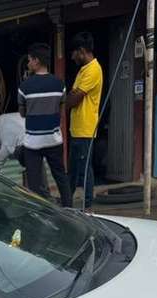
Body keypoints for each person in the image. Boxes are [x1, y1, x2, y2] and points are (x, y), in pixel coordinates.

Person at [17, 42, 70, 206]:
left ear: (37, 61)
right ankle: (70, 209)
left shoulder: (24, 86)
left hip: (33, 143)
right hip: (54, 140)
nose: (28, 63)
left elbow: (22, 113)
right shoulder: (59, 84)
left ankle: (40, 212)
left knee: (34, 184)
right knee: (61, 176)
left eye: (29, 60)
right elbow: (61, 109)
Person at [66, 32, 103, 211]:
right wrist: (72, 96)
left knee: (84, 168)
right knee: (74, 168)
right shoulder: (83, 70)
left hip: (86, 128)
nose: (72, 57)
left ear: (81, 51)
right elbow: (72, 96)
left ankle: (87, 205)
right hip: (77, 127)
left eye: (73, 53)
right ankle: (67, 200)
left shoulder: (93, 70)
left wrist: (71, 97)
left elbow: (73, 99)